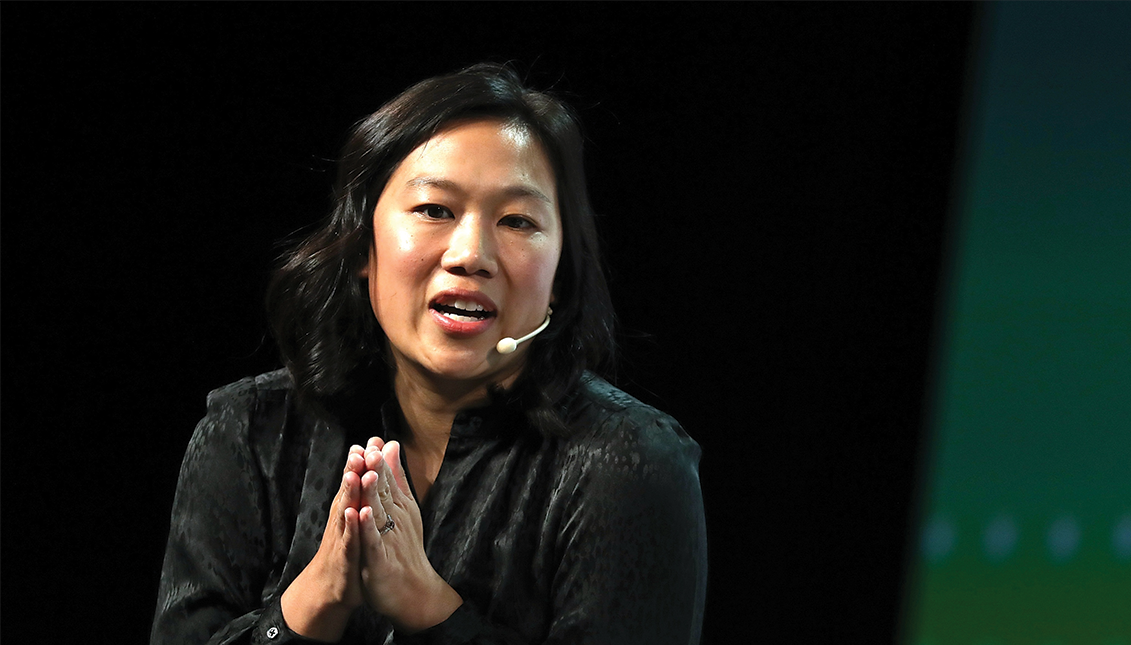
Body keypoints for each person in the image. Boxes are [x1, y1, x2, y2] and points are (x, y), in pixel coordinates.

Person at [151, 63, 706, 645]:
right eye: (434, 210)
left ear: (560, 278)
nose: (471, 254)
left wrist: (432, 611)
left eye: (517, 221)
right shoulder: (247, 432)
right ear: (363, 246)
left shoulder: (631, 465)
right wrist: (314, 599)